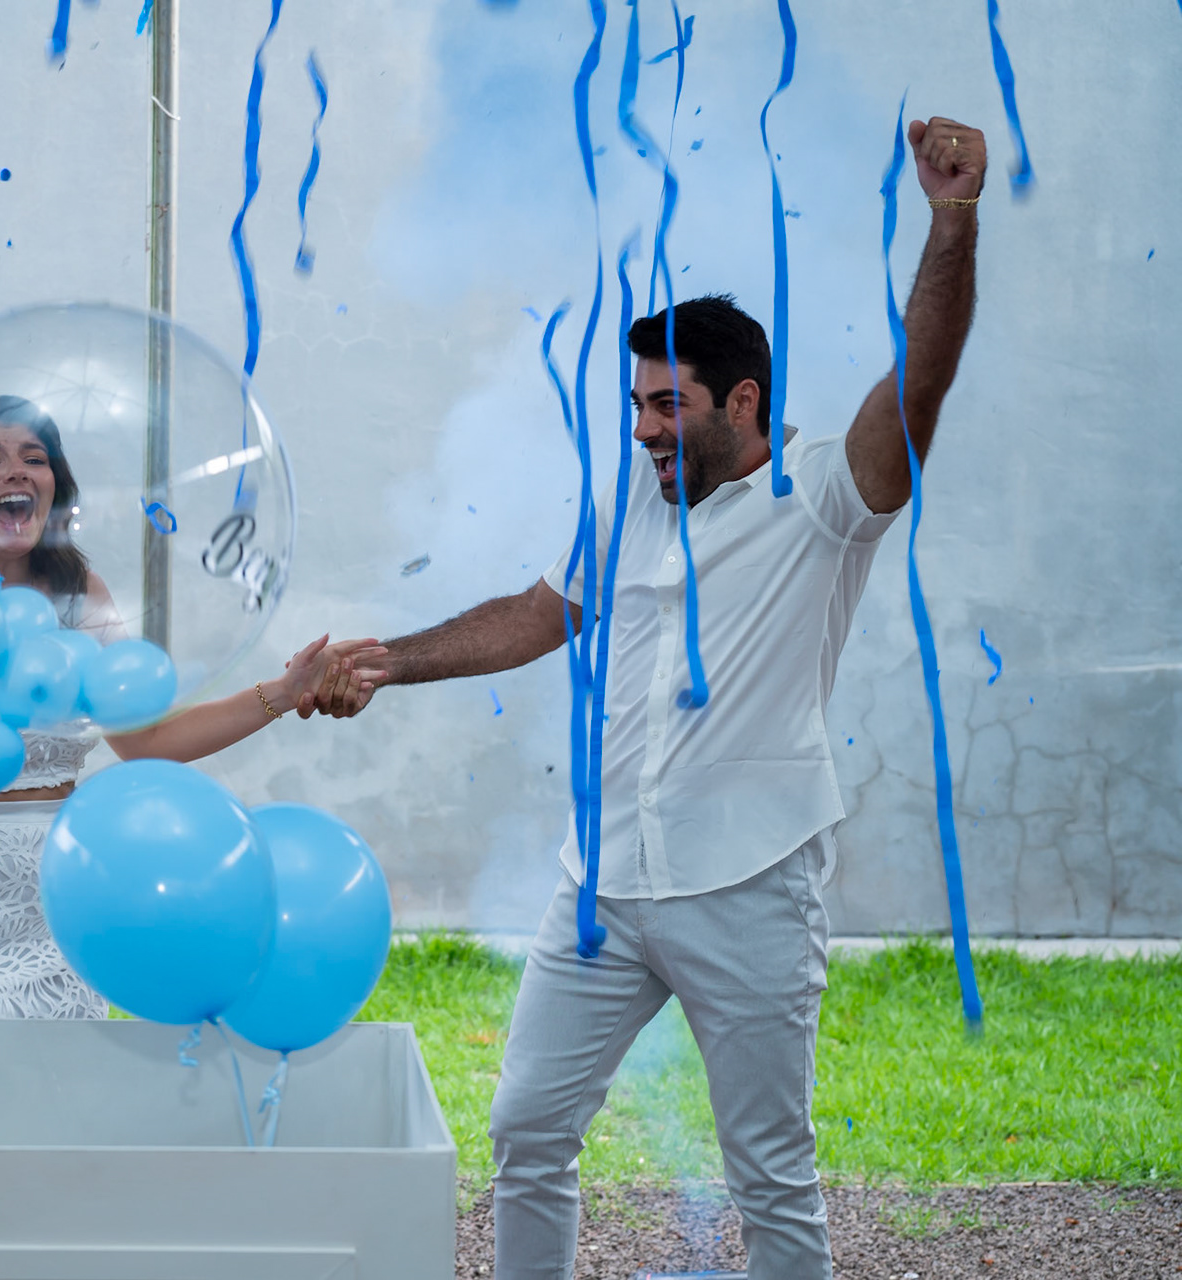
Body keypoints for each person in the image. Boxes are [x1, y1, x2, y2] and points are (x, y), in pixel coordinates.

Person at [303, 118, 987, 1280]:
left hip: (750, 883)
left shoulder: (828, 494)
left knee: (769, 1167)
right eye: (638, 403)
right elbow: (541, 612)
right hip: (603, 885)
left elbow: (919, 377)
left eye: (668, 404)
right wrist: (388, 659)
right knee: (526, 1127)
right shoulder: (632, 493)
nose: (643, 427)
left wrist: (952, 219)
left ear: (742, 400)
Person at [0, 394, 380, 1044]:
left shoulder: (81, 595)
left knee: (55, 1101)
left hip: (60, 906)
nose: (16, 471)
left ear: (54, 483)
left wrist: (283, 692)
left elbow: (147, 739)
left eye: (34, 458)